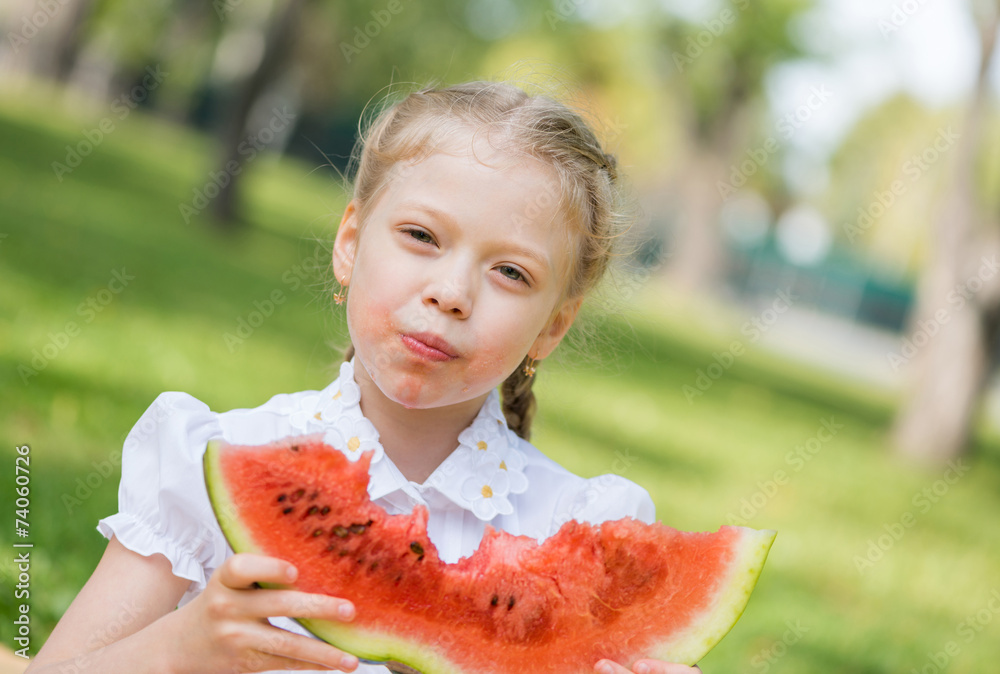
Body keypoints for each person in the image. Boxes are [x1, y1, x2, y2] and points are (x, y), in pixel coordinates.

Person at [27, 81, 700, 674]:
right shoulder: (207, 463)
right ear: (349, 242)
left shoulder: (583, 527)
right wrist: (178, 648)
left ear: (554, 325)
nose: (452, 291)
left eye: (511, 273)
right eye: (422, 237)